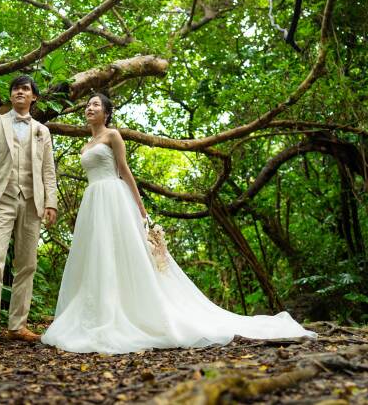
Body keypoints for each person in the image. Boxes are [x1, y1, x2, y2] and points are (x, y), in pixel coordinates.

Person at [41, 93, 316, 354]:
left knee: (123, 253)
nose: (89, 108)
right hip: (93, 200)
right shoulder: (85, 145)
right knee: (96, 255)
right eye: (88, 105)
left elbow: (124, 171)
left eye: (96, 105)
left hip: (114, 197)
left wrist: (140, 209)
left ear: (107, 112)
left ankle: (130, 313)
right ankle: (98, 312)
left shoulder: (113, 135)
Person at [0, 75, 58, 354]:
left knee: (27, 264)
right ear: (11, 96)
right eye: (16, 88)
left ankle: (17, 325)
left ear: (34, 97)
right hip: (0, 199)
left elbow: (48, 171)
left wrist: (51, 202)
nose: (20, 91)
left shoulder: (42, 130)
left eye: (26, 89)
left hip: (32, 202)